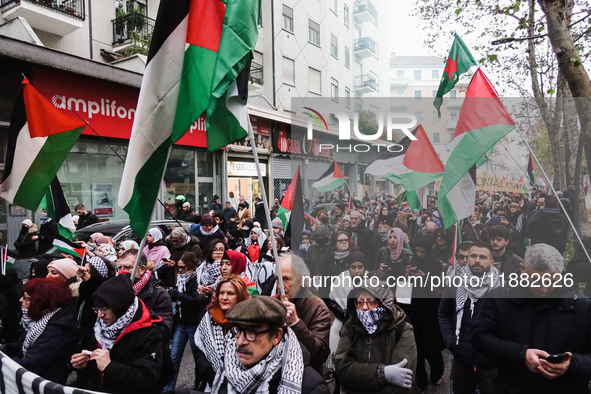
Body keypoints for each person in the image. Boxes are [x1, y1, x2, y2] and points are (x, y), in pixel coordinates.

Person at [473, 243, 591, 393]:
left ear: (561, 273)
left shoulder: (582, 306)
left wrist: (572, 364)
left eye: (552, 281)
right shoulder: (499, 297)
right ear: (523, 269)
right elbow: (480, 337)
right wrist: (521, 354)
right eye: (536, 280)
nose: (543, 289)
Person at [70, 275, 170, 393]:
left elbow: (147, 381)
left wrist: (110, 367)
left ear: (119, 306)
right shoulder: (100, 326)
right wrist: (83, 365)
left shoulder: (150, 333)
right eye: (96, 309)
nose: (99, 315)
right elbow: (95, 368)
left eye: (104, 308)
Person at [219, 296, 329, 394]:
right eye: (237, 330)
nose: (239, 342)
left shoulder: (311, 388)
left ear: (276, 336)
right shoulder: (229, 369)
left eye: (251, 333)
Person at [438, 242, 499, 394]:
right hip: (462, 361)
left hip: (490, 364)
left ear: (491, 262)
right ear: (467, 259)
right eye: (473, 256)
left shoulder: (500, 289)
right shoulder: (455, 284)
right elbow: (444, 313)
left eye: (483, 257)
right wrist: (450, 341)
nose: (477, 260)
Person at [333, 283, 417, 393]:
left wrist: (359, 378)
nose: (364, 307)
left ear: (384, 304)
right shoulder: (350, 326)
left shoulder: (402, 330)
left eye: (371, 302)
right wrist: (382, 373)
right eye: (359, 302)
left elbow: (401, 383)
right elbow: (342, 370)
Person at [1, 278, 75, 384]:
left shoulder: (55, 330)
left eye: (26, 298)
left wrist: (3, 362)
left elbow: (31, 363)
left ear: (41, 303)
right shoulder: (38, 321)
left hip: (42, 383)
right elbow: (20, 346)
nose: (20, 300)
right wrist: (4, 348)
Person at [399, 235, 445, 391]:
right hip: (413, 312)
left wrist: (425, 280)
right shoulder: (410, 263)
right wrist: (406, 277)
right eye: (417, 251)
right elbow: (402, 291)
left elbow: (438, 291)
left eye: (422, 251)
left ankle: (437, 374)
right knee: (416, 350)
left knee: (432, 349)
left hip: (430, 314)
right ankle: (421, 380)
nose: (419, 254)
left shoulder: (436, 265)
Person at [194, 276, 251, 391]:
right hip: (211, 382)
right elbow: (198, 347)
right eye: (221, 293)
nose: (224, 297)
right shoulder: (208, 317)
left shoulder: (248, 320)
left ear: (240, 296)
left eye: (230, 293)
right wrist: (209, 374)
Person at [276, 253, 331, 373]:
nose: (280, 285)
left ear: (301, 280)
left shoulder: (317, 307)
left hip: (305, 375)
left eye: (286, 279)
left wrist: (296, 324)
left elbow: (320, 353)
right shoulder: (274, 303)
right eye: (277, 278)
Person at [163, 251, 207, 391]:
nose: (181, 270)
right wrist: (172, 295)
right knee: (174, 357)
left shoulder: (198, 279)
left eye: (184, 267)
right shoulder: (179, 279)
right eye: (179, 267)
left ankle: (199, 384)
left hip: (194, 324)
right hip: (181, 324)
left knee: (198, 358)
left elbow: (197, 300)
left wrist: (178, 295)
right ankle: (168, 388)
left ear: (191, 266)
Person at [118, 249, 174, 339]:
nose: (121, 271)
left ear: (142, 269)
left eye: (127, 267)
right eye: (119, 267)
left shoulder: (160, 294)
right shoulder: (118, 289)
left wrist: (140, 311)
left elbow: (164, 330)